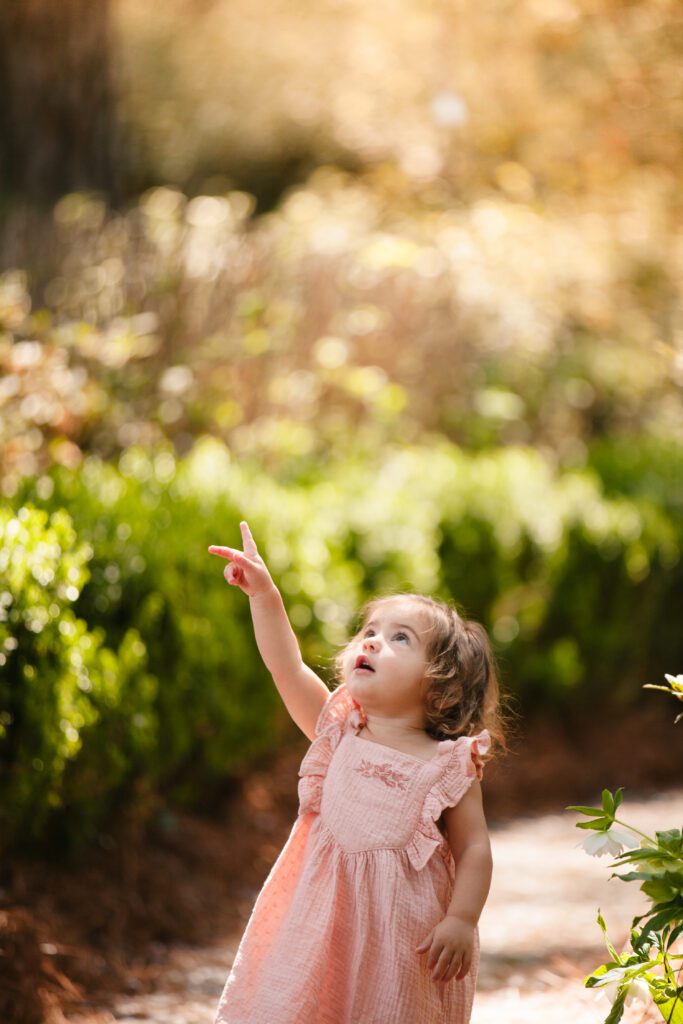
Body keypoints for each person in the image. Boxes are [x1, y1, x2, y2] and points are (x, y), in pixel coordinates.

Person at [208, 521, 505, 1024]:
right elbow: (287, 666)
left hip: (399, 945)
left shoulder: (448, 767)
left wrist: (461, 919)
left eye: (399, 639)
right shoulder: (338, 731)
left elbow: (474, 847)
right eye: (369, 632)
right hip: (317, 928)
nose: (371, 643)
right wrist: (266, 596)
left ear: (442, 689)